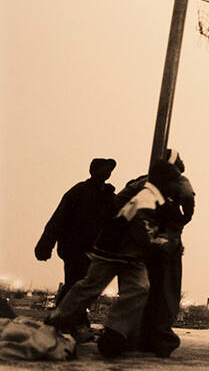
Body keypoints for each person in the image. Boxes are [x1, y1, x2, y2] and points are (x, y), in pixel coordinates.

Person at [45, 160, 182, 359]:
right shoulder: (146, 198)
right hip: (114, 252)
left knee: (137, 289)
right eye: (174, 181)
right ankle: (56, 320)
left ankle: (114, 332)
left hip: (131, 255)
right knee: (90, 287)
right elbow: (143, 231)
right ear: (164, 181)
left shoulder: (157, 198)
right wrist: (163, 245)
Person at [115, 149, 194, 357]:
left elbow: (118, 201)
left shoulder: (141, 183)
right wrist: (182, 220)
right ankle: (160, 338)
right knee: (166, 292)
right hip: (164, 243)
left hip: (137, 242)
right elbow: (187, 197)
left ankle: (128, 334)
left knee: (138, 289)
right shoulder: (179, 180)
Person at [34, 158, 117, 340]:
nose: (108, 172)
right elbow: (58, 219)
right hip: (74, 248)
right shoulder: (79, 192)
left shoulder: (108, 196)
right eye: (105, 169)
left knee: (77, 286)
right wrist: (45, 245)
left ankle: (59, 321)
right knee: (76, 285)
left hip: (93, 250)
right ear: (94, 170)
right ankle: (77, 326)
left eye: (110, 170)